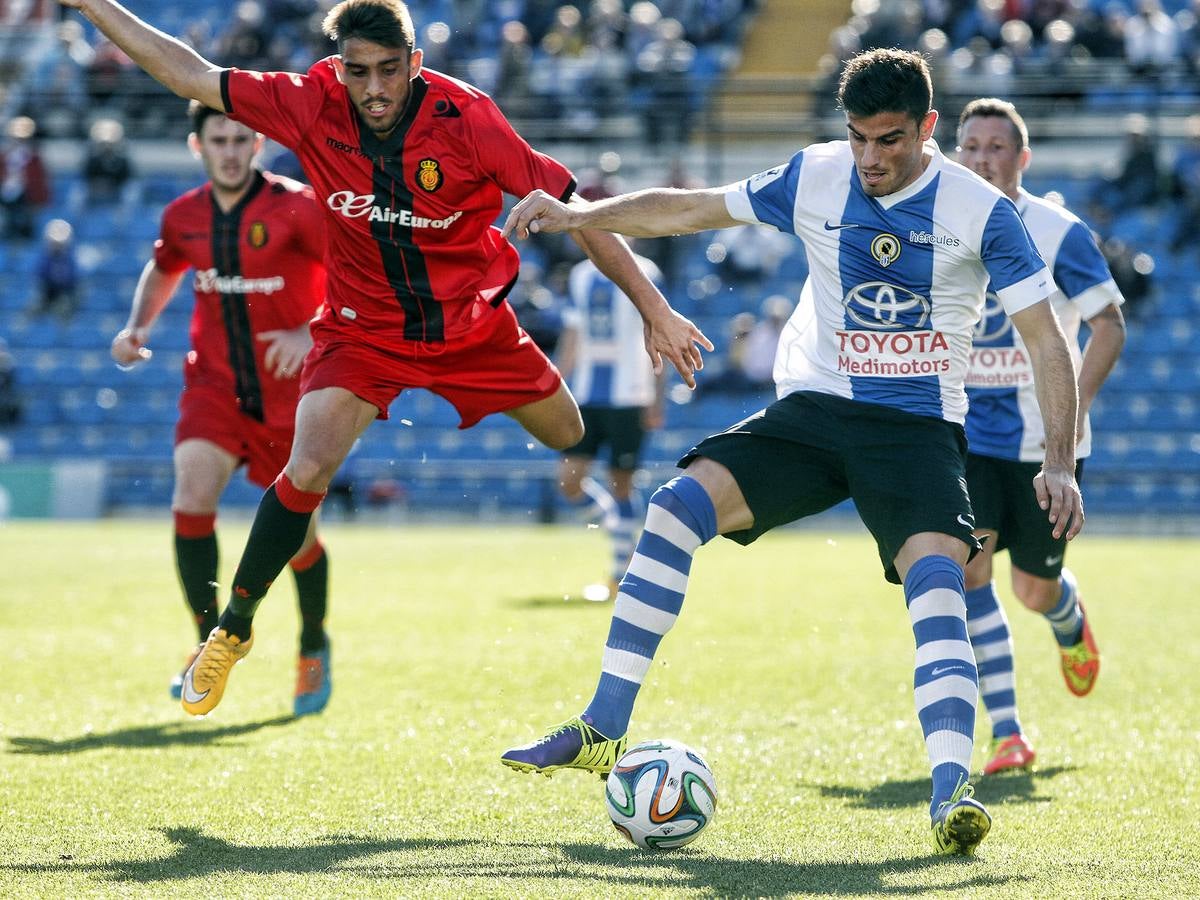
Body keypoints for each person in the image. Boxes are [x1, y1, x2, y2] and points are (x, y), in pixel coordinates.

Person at [499, 48, 1085, 857]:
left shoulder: (980, 210)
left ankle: (951, 789)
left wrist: (1058, 460)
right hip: (814, 409)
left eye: (889, 141)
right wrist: (581, 215)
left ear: (927, 129)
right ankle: (603, 724)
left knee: (939, 581)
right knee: (672, 512)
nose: (871, 158)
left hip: (915, 428)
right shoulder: (815, 175)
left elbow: (1047, 341)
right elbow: (692, 208)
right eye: (857, 139)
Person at [59, 0, 709, 718]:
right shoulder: (309, 103)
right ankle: (232, 628)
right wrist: (94, 6)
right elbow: (188, 72)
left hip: (471, 330)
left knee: (568, 433)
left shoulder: (469, 119)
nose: (374, 88)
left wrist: (656, 308)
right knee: (306, 466)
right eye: (359, 72)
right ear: (339, 68)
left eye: (390, 71)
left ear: (416, 64)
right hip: (361, 334)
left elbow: (577, 212)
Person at [110, 100, 333, 717]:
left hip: (294, 401)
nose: (230, 151)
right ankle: (210, 640)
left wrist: (311, 331)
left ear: (257, 144)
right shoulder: (183, 216)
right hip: (213, 388)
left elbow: (354, 275)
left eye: (240, 140)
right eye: (219, 141)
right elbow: (163, 268)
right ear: (197, 147)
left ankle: (313, 646)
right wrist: (136, 329)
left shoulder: (298, 205)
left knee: (299, 540)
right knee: (191, 495)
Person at [955, 98, 1126, 775]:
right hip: (964, 437)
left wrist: (1075, 406)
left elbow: (1109, 322)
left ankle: (1068, 618)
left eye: (997, 147)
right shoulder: (939, 224)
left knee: (1031, 590)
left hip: (1043, 445)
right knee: (970, 573)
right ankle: (1007, 732)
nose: (982, 158)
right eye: (970, 146)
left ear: (1022, 159)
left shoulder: (1059, 232)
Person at [557, 249, 666, 600]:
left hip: (631, 395)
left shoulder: (645, 270)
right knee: (570, 482)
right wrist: (557, 384)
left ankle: (622, 575)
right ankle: (623, 538)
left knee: (621, 484)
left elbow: (657, 332)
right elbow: (573, 333)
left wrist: (657, 396)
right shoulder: (580, 275)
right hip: (586, 395)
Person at [32, 218, 80, 321]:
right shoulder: (44, 257)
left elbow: (73, 279)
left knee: (64, 306)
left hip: (66, 292)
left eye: (59, 244)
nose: (56, 246)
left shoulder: (70, 258)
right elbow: (39, 276)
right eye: (54, 243)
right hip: (47, 292)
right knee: (35, 306)